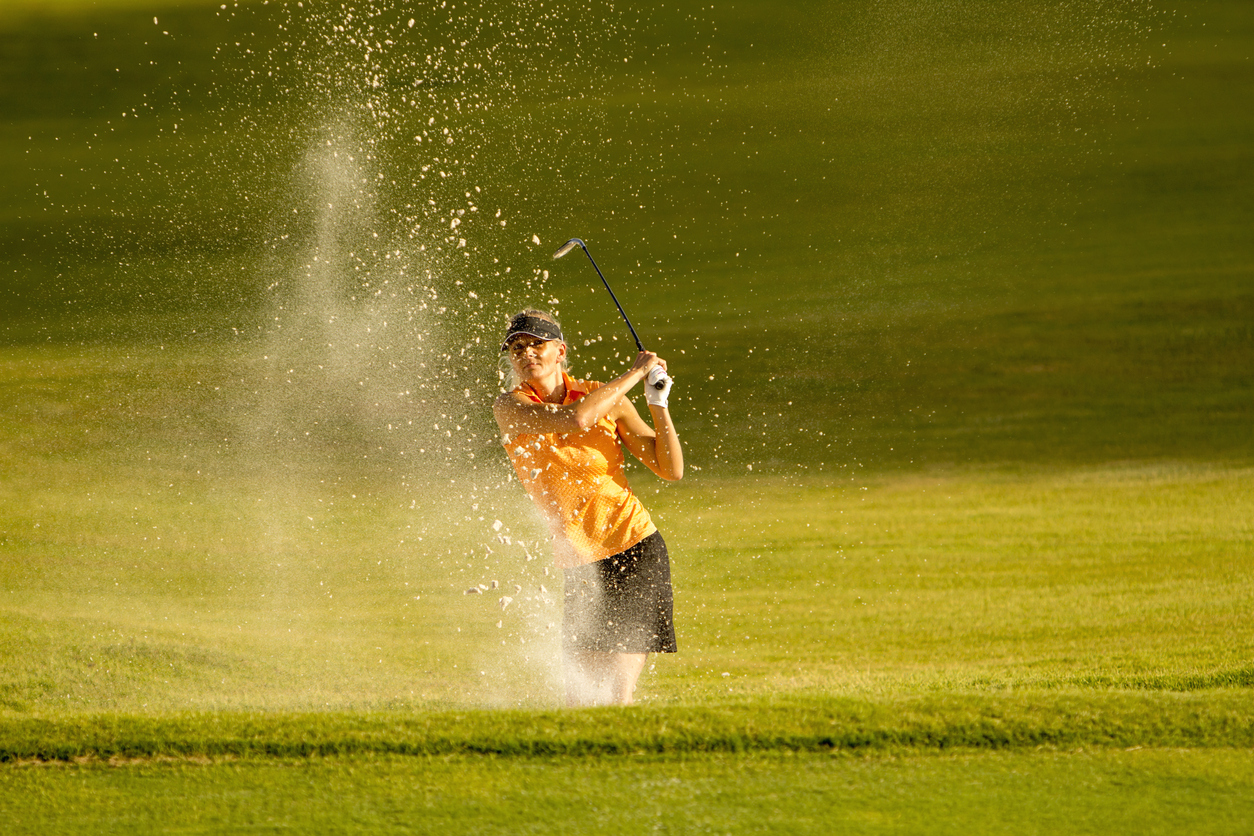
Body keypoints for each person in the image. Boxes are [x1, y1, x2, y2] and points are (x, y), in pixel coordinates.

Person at [493, 309, 683, 706]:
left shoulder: (606, 399)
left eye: (536, 344)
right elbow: (578, 418)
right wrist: (634, 375)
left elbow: (671, 469)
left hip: (635, 545)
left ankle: (626, 759)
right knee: (577, 695)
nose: (526, 353)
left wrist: (657, 403)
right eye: (517, 348)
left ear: (560, 351)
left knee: (617, 692)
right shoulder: (510, 408)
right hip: (579, 562)